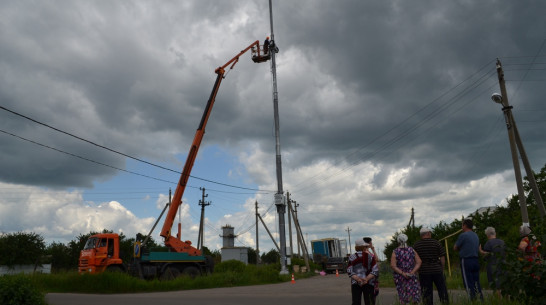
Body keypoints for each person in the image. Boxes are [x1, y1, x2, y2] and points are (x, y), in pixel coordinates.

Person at [413, 227, 449, 305]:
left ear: (421, 235)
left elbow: (414, 259)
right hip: (437, 270)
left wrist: (416, 270)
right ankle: (445, 303)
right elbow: (442, 257)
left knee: (426, 293)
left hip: (424, 271)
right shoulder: (436, 243)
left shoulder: (416, 245)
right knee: (442, 290)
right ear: (428, 233)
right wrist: (442, 268)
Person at [454, 218, 483, 301]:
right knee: (476, 282)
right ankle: (480, 299)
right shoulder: (475, 235)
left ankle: (472, 300)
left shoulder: (463, 235)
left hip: (466, 260)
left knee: (468, 282)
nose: (462, 227)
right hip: (476, 260)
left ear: (465, 225)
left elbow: (455, 247)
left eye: (462, 225)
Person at [390, 233, 422, 305]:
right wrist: (412, 272)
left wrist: (402, 273)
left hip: (400, 276)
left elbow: (393, 265)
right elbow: (419, 262)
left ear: (398, 241)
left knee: (403, 295)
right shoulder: (412, 250)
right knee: (414, 295)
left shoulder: (395, 252)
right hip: (412, 276)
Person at [348, 239, 379, 305]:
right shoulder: (370, 256)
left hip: (355, 283)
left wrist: (358, 279)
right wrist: (366, 279)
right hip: (369, 282)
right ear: (363, 247)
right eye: (365, 246)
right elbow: (375, 270)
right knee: (369, 302)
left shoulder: (351, 257)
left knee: (356, 302)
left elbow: (349, 271)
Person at [479, 226, 505, 294]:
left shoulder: (488, 243)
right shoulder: (502, 242)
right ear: (495, 233)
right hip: (504, 266)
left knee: (496, 287)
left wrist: (481, 252)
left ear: (487, 235)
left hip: (493, 267)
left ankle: (498, 301)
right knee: (504, 286)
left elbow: (487, 255)